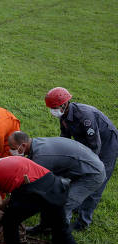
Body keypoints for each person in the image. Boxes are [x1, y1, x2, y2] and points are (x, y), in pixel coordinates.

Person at [7, 132, 104, 244]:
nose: (10, 150)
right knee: (49, 196)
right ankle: (45, 227)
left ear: (23, 145)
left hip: (91, 174)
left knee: (62, 206)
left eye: (12, 147)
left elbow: (35, 186)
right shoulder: (35, 144)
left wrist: (14, 205)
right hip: (80, 166)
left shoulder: (42, 157)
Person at [46, 87, 118, 231]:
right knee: (80, 174)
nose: (53, 110)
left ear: (64, 104)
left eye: (55, 107)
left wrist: (90, 163)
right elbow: (65, 138)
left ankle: (83, 222)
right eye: (51, 107)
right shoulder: (64, 116)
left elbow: (95, 145)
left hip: (107, 144)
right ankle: (77, 204)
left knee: (97, 178)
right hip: (88, 142)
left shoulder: (85, 116)